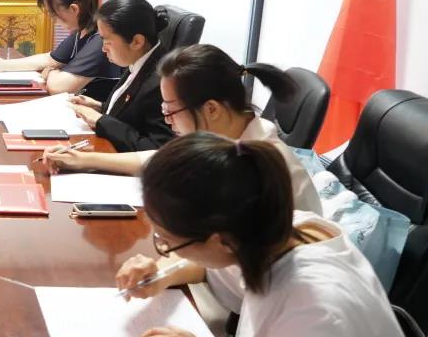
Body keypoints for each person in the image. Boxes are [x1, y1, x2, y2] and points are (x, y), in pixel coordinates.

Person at [119, 133, 426, 337]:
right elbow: (212, 265)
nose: (164, 249)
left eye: (166, 240)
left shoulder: (315, 321)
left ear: (221, 240)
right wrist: (161, 274)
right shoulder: (270, 232)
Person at [44, 43, 323, 216]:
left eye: (170, 111)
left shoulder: (258, 168)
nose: (168, 121)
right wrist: (83, 160)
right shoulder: (230, 133)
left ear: (211, 109)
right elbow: (162, 158)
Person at [0, 0, 119, 95]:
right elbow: (50, 59)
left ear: (74, 9)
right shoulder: (81, 32)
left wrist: (52, 71)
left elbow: (58, 87)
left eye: (53, 15)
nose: (54, 21)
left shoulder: (100, 40)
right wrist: (2, 65)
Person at [64, 0, 173, 152]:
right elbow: (132, 114)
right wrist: (99, 106)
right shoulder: (139, 59)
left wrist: (101, 121)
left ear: (137, 42)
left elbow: (156, 150)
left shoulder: (161, 83)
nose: (103, 49)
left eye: (107, 41)